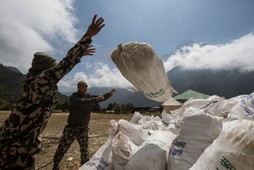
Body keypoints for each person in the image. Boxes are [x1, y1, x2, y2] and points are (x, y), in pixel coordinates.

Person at [0, 15, 105, 169]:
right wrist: (87, 37)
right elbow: (64, 65)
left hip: (22, 149)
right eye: (52, 68)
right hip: (11, 150)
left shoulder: (41, 85)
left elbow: (63, 66)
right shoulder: (39, 82)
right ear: (44, 68)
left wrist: (79, 55)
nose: (54, 71)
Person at [52, 81, 116, 169]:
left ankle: (84, 167)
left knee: (85, 150)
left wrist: (110, 93)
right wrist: (95, 99)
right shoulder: (74, 97)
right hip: (72, 128)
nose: (85, 88)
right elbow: (83, 102)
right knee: (62, 147)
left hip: (83, 129)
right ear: (79, 88)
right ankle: (56, 165)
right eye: (83, 87)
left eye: (86, 86)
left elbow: (101, 98)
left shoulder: (88, 97)